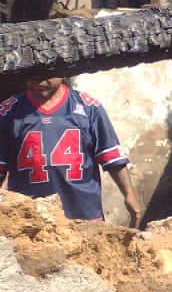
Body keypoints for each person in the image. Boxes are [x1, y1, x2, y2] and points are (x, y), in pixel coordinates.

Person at [0, 76, 142, 225]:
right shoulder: (8, 112)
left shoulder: (88, 107)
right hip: (32, 222)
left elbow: (111, 157)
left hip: (84, 216)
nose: (39, 81)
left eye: (46, 75)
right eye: (32, 75)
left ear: (63, 71)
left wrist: (128, 194)